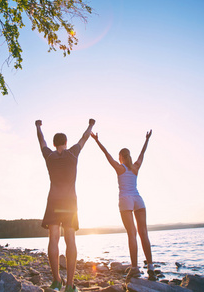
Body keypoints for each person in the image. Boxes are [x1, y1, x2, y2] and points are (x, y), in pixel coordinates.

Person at [36, 119, 95, 292]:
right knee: (70, 240)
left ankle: (56, 281)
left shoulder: (49, 155)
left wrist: (38, 126)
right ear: (66, 143)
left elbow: (41, 141)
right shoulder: (73, 153)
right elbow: (85, 137)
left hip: (54, 200)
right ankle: (69, 285)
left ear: (54, 144)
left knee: (53, 239)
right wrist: (91, 125)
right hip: (70, 202)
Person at [91, 130, 156, 281]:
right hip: (138, 199)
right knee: (144, 233)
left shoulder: (120, 168)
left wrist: (97, 140)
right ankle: (151, 268)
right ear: (129, 156)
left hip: (125, 199)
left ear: (120, 157)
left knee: (131, 234)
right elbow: (143, 153)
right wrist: (147, 139)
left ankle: (135, 268)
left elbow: (106, 154)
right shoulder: (135, 167)